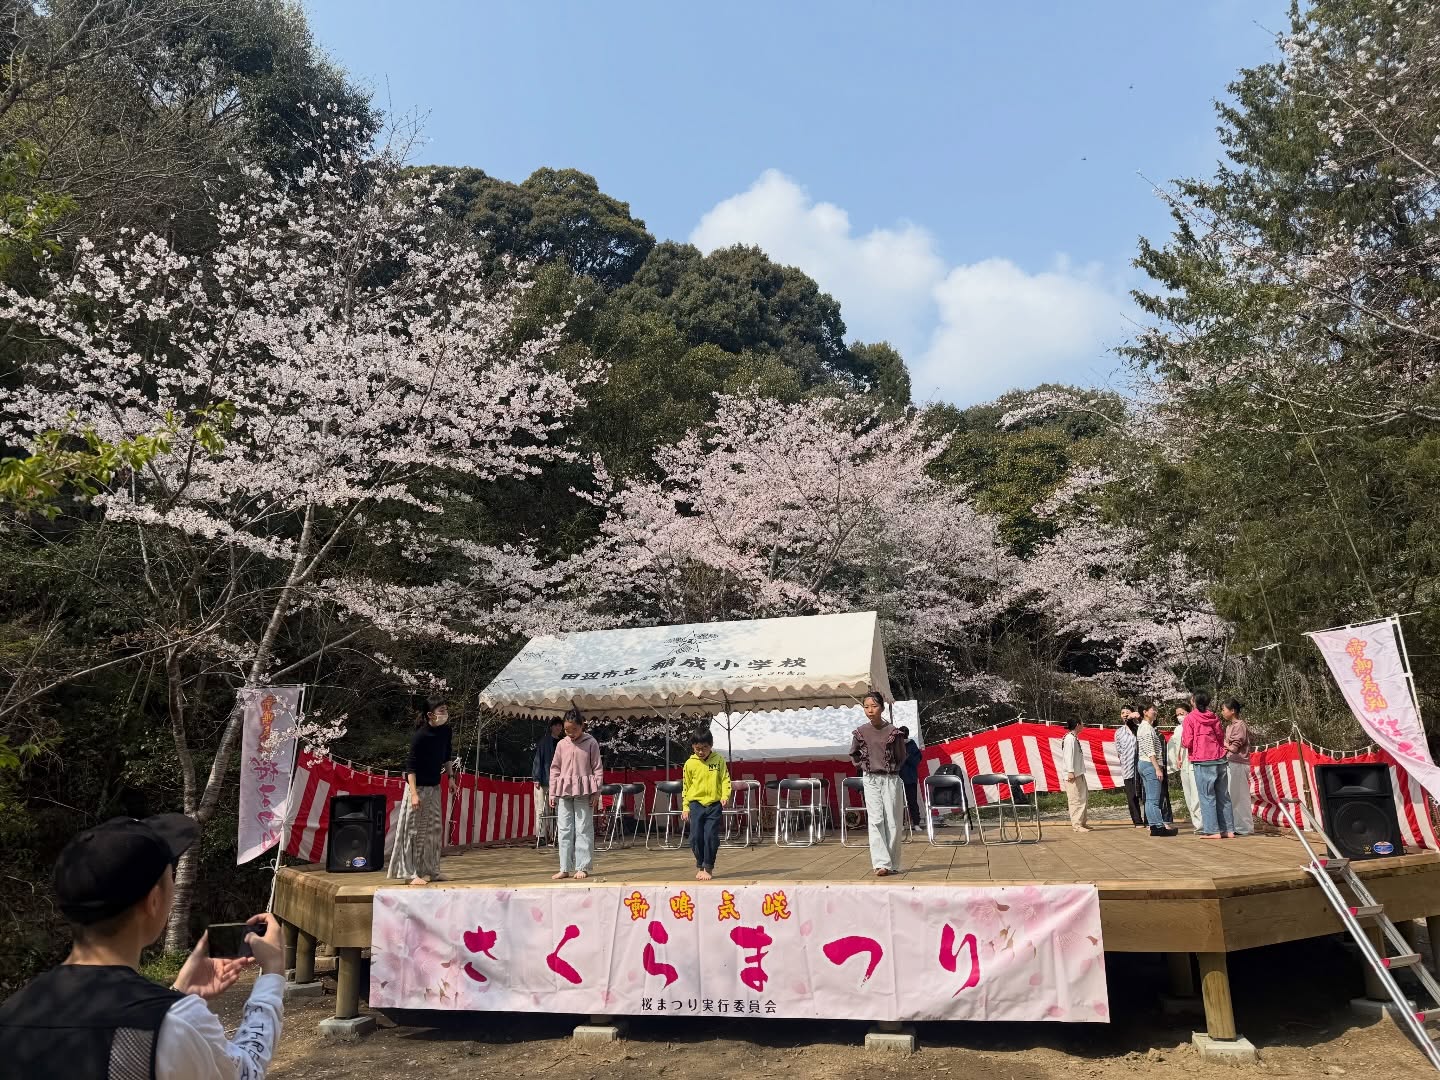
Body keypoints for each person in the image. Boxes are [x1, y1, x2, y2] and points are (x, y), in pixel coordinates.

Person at [0, 813, 287, 1079]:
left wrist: (177, 993)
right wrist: (272, 976)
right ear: (153, 901)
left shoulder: (12, 1013)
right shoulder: (174, 1024)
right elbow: (246, 1070)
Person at [388, 693, 453, 885]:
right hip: (417, 788)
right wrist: (414, 794)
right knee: (412, 830)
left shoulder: (446, 731)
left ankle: (432, 870)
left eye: (446, 710)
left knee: (434, 829)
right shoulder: (420, 736)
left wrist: (451, 778)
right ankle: (409, 874)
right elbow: (411, 767)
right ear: (430, 715)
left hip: (434, 787)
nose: (445, 713)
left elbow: (447, 754)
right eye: (441, 710)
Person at [848, 690, 907, 876]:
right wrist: (865, 765)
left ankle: (893, 863)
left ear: (881, 707)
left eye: (874, 706)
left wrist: (890, 768)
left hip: (890, 778)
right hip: (870, 778)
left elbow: (901, 756)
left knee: (893, 822)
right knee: (875, 820)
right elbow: (854, 754)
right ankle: (881, 863)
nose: (870, 710)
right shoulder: (860, 732)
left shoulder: (893, 732)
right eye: (866, 707)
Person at [549, 712, 603, 880]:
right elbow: (555, 768)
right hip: (564, 791)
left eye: (574, 729)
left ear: (582, 726)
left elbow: (598, 768)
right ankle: (564, 867)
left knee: (583, 828)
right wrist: (552, 792)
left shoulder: (591, 742)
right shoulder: (561, 744)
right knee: (564, 829)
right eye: (566, 730)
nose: (570, 733)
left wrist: (597, 791)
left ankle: (583, 866)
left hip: (584, 791)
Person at [1181, 690, 1233, 839]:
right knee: (1223, 795)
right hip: (1219, 758)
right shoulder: (1214, 716)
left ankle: (1213, 830)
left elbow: (1187, 741)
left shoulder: (1190, 718)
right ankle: (1228, 830)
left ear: (1194, 701)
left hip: (1202, 760)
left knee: (1206, 796)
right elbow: (1220, 736)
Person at [681, 729, 731, 881]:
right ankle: (700, 865)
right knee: (695, 837)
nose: (701, 752)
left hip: (714, 804)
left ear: (711, 746)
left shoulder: (719, 760)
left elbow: (724, 779)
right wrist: (685, 806)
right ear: (693, 747)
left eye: (704, 748)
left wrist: (725, 795)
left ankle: (708, 866)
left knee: (710, 835)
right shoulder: (689, 764)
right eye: (697, 749)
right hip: (695, 804)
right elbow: (686, 786)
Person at [1136, 706, 1177, 836]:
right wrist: (1157, 768)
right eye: (1152, 709)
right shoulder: (1147, 729)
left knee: (1149, 798)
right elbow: (1150, 750)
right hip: (1150, 764)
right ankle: (1159, 826)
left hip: (1143, 764)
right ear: (1145, 712)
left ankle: (1154, 826)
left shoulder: (1143, 727)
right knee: (1154, 799)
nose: (1155, 712)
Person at [531, 718, 565, 845]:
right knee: (541, 808)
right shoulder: (544, 741)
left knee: (558, 809)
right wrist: (536, 777)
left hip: (559, 781)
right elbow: (538, 759)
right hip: (544, 779)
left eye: (559, 725)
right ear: (551, 727)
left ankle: (556, 835)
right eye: (556, 725)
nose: (558, 728)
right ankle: (541, 836)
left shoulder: (564, 742)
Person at [1168, 704, 1202, 830]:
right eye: (1177, 714)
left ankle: (1201, 823)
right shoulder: (1177, 729)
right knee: (1188, 794)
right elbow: (1174, 747)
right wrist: (1176, 759)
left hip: (1193, 761)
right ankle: (1196, 822)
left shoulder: (1194, 725)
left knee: (1196, 793)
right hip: (1183, 764)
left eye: (1182, 713)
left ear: (1189, 712)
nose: (1179, 716)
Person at [1223, 699, 1253, 836]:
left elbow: (1235, 746)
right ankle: (1237, 825)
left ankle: (1244, 827)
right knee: (1233, 795)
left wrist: (1223, 744)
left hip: (1239, 763)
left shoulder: (1239, 725)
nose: (1222, 712)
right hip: (1232, 762)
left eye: (1224, 709)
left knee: (1240, 796)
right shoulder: (1230, 726)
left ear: (1232, 710)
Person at [1059, 717, 1091, 832]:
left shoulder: (1073, 738)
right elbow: (1068, 756)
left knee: (1083, 798)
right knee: (1075, 799)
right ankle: (1077, 825)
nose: (1083, 725)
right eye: (1082, 723)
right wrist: (1070, 771)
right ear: (1077, 725)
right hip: (1072, 774)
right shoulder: (1069, 739)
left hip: (1079, 773)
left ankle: (1082, 822)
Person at [1115, 707, 1145, 828]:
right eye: (1122, 713)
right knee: (1131, 796)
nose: (1125, 715)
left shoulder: (1140, 728)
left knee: (1144, 794)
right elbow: (1119, 750)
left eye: (1128, 713)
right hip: (1127, 767)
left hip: (1140, 766)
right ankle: (1137, 821)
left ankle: (1149, 820)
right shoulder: (1118, 732)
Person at [898, 725, 923, 831]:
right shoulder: (895, 745)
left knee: (912, 801)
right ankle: (901, 823)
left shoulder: (912, 745)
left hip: (910, 777)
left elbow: (916, 761)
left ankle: (916, 823)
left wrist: (906, 755)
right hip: (898, 778)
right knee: (898, 802)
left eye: (904, 734)